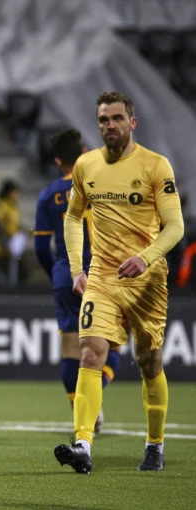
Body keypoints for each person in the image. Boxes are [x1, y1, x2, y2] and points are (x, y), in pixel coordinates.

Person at [54, 91, 184, 473]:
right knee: (90, 352)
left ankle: (155, 444)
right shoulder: (86, 165)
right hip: (102, 276)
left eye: (116, 118)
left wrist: (145, 258)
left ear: (132, 122)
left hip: (147, 280)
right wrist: (77, 268)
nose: (109, 125)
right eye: (103, 120)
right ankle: (83, 444)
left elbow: (175, 226)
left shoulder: (155, 165)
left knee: (148, 362)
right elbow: (73, 217)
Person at [34, 129, 121, 433]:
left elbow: (40, 248)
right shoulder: (106, 185)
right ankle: (91, 398)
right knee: (113, 348)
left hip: (68, 276)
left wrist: (59, 273)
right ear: (84, 153)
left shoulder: (49, 196)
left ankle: (83, 409)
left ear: (58, 162)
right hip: (106, 272)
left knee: (72, 349)